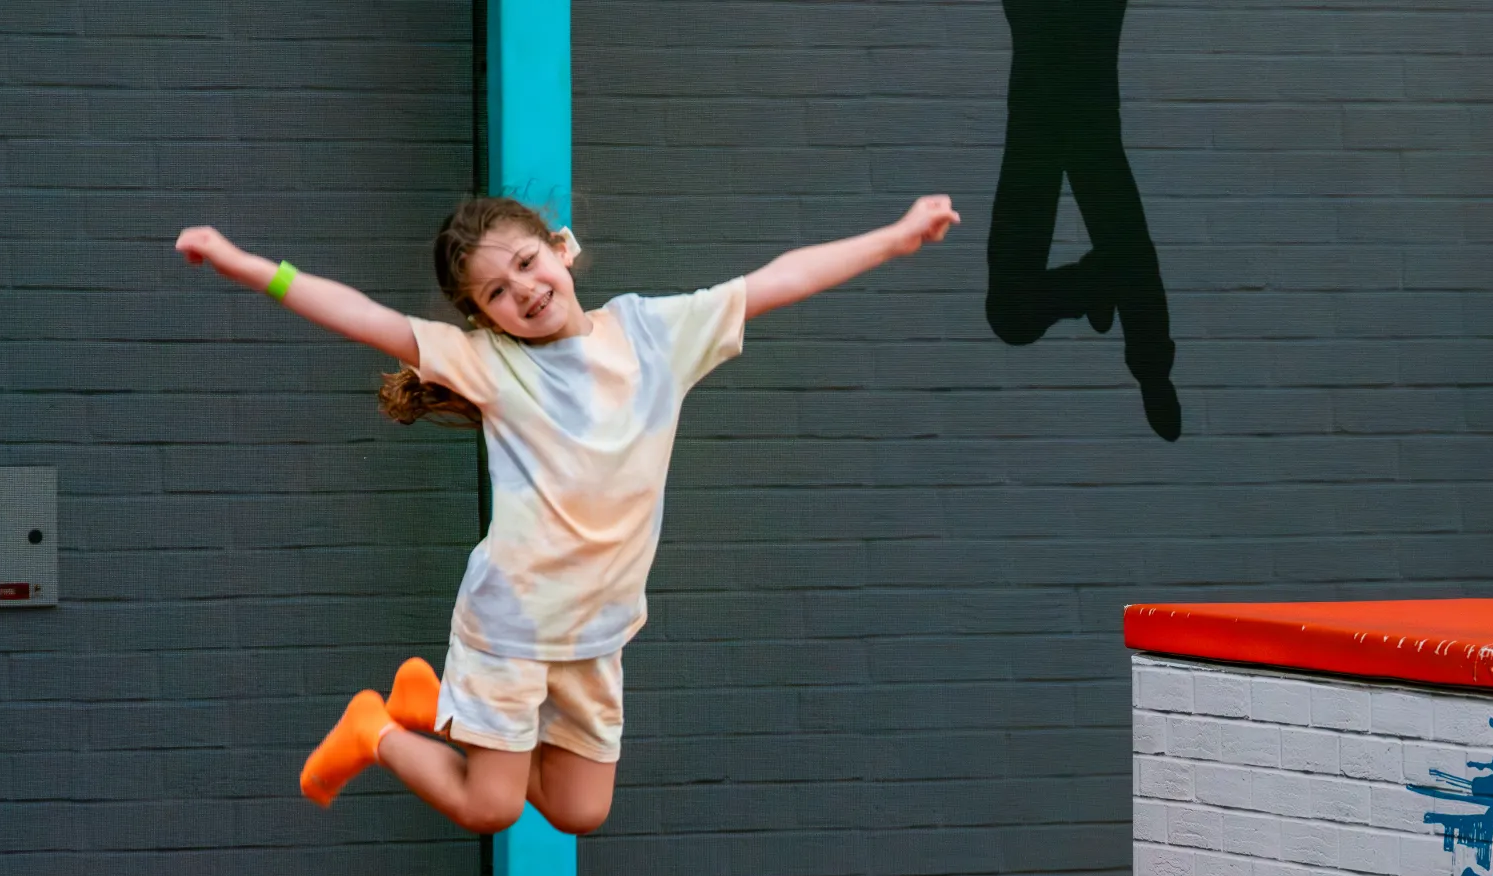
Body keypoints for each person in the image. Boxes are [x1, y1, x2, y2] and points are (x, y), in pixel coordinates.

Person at [174, 193, 960, 835]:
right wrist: (247, 268)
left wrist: (896, 237)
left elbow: (781, 279)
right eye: (498, 292)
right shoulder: (489, 363)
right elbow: (359, 317)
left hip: (598, 630)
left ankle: (439, 710)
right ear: (484, 317)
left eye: (527, 262)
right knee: (492, 807)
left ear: (560, 247)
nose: (525, 289)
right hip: (511, 625)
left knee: (582, 811)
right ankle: (374, 729)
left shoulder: (657, 335)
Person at [985, 0, 1181, 441]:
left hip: (1061, 122)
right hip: (1051, 123)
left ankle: (1113, 296)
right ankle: (1107, 285)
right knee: (1010, 313)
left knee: (1011, 312)